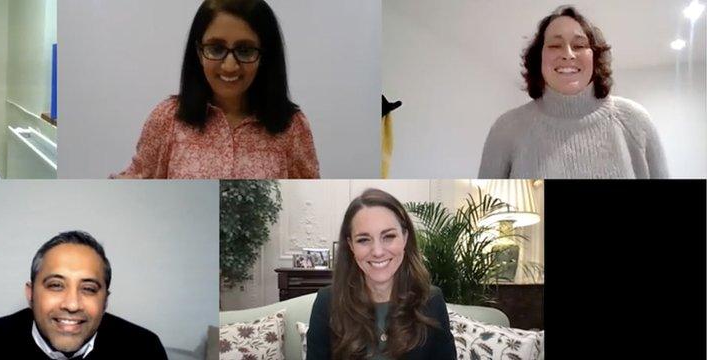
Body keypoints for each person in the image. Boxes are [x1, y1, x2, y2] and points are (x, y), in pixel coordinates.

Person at [114, 0, 319, 179]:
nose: (230, 66)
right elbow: (137, 178)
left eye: (245, 50)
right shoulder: (166, 119)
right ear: (198, 51)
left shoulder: (292, 127)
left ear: (265, 56)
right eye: (216, 49)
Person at [478, 6, 668, 179]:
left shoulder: (635, 122)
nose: (568, 54)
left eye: (579, 45)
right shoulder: (505, 130)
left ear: (595, 56)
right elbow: (482, 214)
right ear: (539, 58)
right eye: (554, 45)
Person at [0, 231, 167, 359]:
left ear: (105, 301)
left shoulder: (144, 350)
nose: (72, 304)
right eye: (56, 285)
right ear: (31, 294)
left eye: (89, 289)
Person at [306, 189, 455, 360]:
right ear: (351, 245)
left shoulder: (431, 300)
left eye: (388, 236)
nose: (377, 251)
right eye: (363, 239)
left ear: (405, 237)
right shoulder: (327, 302)